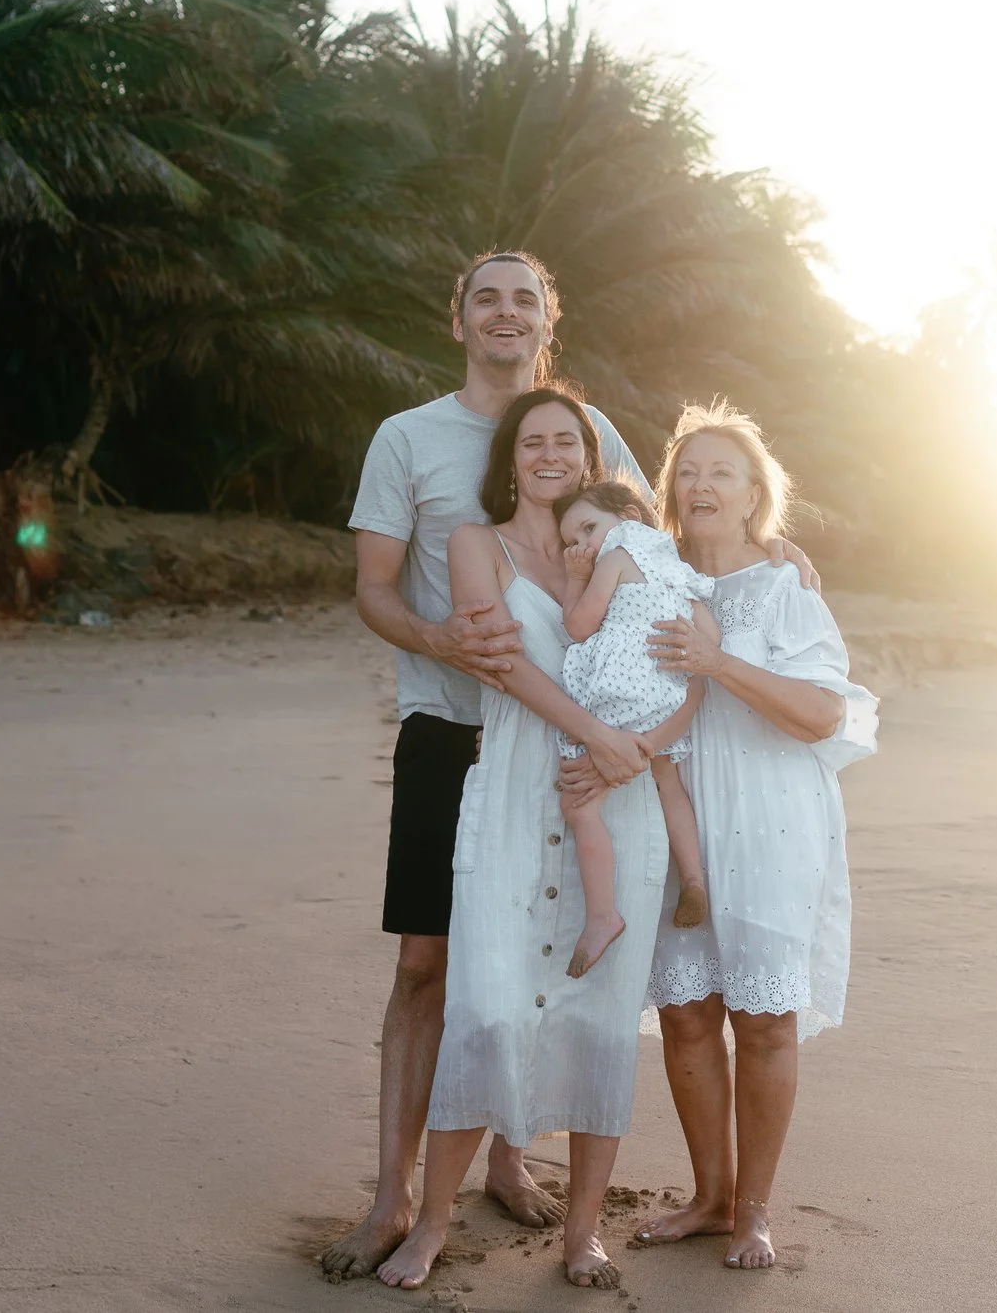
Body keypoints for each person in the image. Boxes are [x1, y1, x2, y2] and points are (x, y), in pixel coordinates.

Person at [327, 252, 647, 1278]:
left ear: (549, 316)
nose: (505, 313)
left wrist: (778, 554)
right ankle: (393, 1195)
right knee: (427, 964)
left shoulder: (593, 440)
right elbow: (375, 587)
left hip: (565, 746)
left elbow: (672, 549)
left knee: (548, 957)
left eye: (525, 298)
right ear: (456, 319)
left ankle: (511, 1164)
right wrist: (441, 645)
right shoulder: (407, 437)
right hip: (448, 733)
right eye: (486, 298)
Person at [564, 401, 877, 1272]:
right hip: (670, 813)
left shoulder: (784, 586)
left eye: (722, 473)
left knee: (766, 1021)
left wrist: (719, 663)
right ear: (668, 494)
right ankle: (707, 1196)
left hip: (772, 819)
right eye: (688, 473)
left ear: (753, 498)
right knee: (688, 1013)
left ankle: (754, 1212)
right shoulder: (650, 569)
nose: (702, 485)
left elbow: (823, 713)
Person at [376, 389, 672, 1292]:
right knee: (489, 1006)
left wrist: (780, 549)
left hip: (616, 798)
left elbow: (694, 633)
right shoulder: (477, 544)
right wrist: (599, 731)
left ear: (590, 457)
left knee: (600, 1018)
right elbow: (500, 666)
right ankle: (430, 1226)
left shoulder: (623, 548)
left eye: (567, 442)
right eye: (533, 441)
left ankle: (584, 1233)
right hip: (509, 790)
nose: (550, 454)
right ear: (510, 458)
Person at [552, 480, 714, 981]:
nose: (582, 545)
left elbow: (578, 627)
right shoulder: (680, 570)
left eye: (588, 528)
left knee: (578, 805)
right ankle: (693, 876)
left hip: (620, 689)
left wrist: (574, 579)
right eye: (571, 540)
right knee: (669, 783)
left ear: (627, 516)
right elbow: (709, 638)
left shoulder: (616, 557)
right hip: (668, 688)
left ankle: (603, 915)